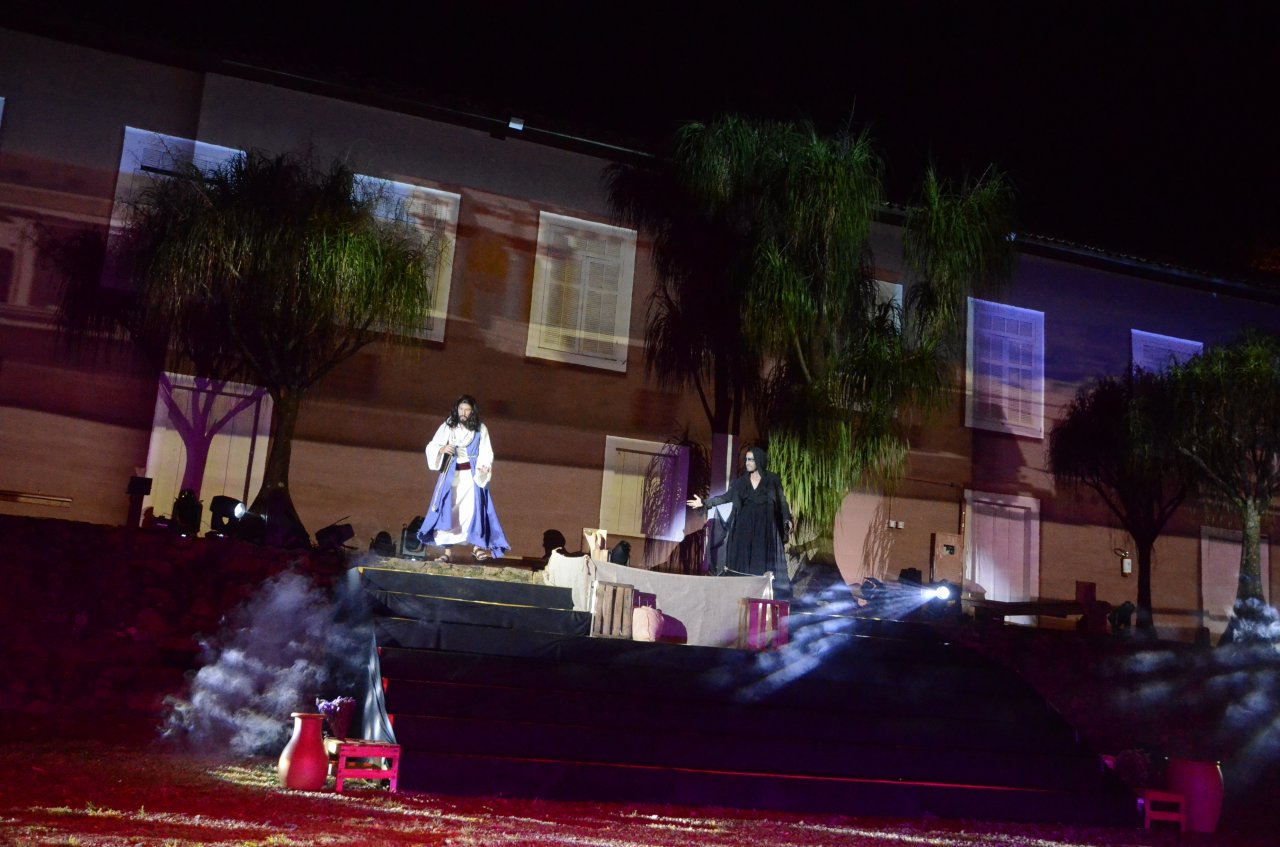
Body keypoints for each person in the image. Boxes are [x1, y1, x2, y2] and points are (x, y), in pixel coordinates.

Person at [687, 446, 793, 599]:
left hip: (764, 530)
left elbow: (782, 502)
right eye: (747, 459)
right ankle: (743, 596)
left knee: (761, 561)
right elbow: (725, 497)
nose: (748, 462)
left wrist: (787, 518)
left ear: (759, 460)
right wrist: (704, 502)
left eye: (751, 459)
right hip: (744, 529)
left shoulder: (772, 480)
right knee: (743, 561)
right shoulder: (740, 483)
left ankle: (762, 597)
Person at [417, 395, 510, 561]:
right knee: (449, 510)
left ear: (472, 411)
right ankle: (447, 553)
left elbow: (486, 451)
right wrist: (442, 449)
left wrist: (484, 467)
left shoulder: (480, 428)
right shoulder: (448, 425)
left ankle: (477, 546)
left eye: (467, 410)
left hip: (471, 476)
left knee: (473, 509)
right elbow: (432, 445)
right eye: (461, 409)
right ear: (457, 409)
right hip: (451, 475)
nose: (464, 413)